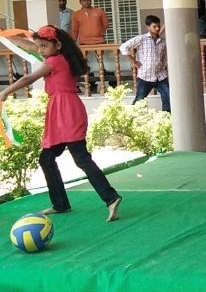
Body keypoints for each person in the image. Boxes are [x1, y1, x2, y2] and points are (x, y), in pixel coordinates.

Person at [0, 25, 122, 221]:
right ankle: (60, 204)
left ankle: (111, 197)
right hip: (62, 111)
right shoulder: (62, 56)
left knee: (80, 158)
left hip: (66, 112)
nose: (40, 50)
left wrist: (5, 91)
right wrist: (5, 35)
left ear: (57, 45)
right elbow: (30, 46)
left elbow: (29, 78)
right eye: (39, 46)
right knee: (47, 159)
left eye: (44, 46)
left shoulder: (55, 60)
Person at [119, 15, 169, 112]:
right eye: (154, 26)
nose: (157, 28)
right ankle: (133, 117)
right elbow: (123, 47)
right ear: (148, 27)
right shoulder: (141, 39)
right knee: (139, 100)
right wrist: (133, 61)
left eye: (158, 26)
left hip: (161, 76)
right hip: (145, 76)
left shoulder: (162, 42)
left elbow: (165, 58)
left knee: (168, 97)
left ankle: (166, 117)